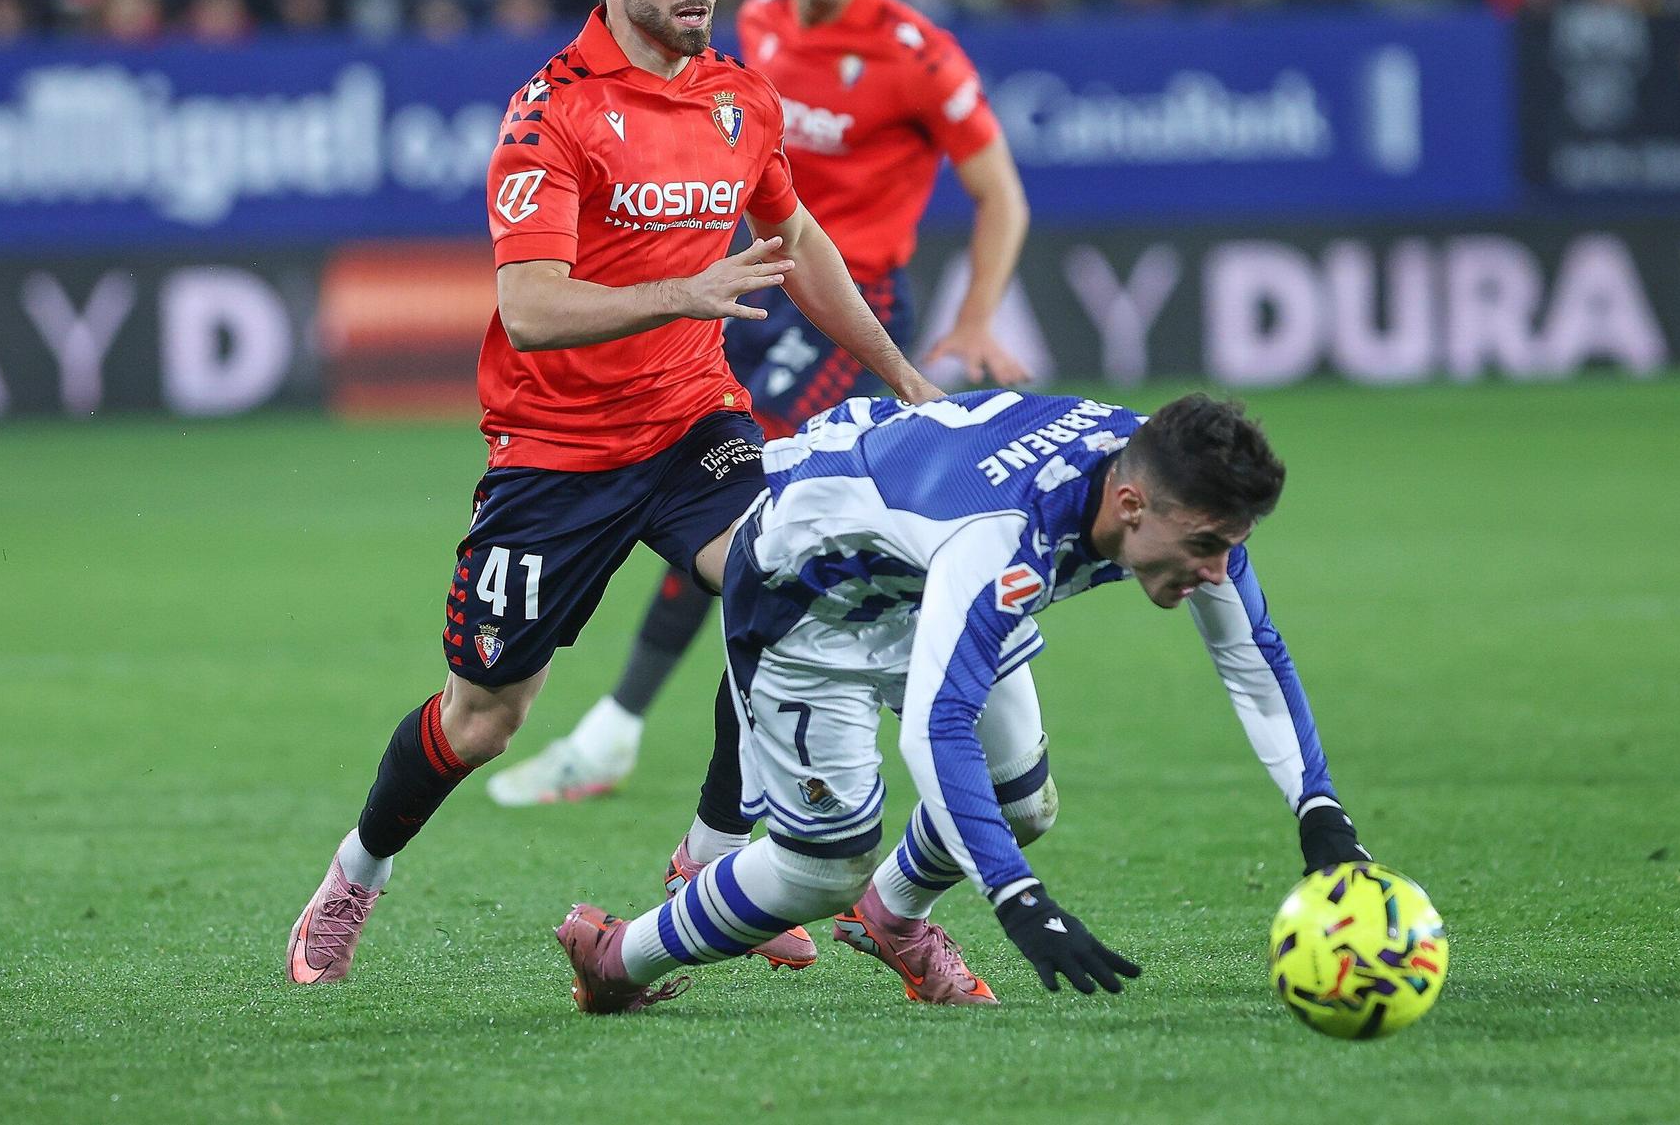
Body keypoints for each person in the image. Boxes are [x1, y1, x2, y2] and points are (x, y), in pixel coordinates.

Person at [286, 0, 939, 985]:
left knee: (778, 581)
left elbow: (803, 248)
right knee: (485, 714)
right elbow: (531, 310)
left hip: (694, 420)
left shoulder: (740, 98)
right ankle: (354, 873)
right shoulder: (553, 114)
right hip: (556, 455)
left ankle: (710, 860)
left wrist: (902, 376)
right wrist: (682, 292)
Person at [488, 0, 1033, 810]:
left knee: (747, 520)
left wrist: (968, 324)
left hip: (834, 310)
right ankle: (678, 763)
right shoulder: (751, 37)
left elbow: (1000, 195)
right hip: (731, 289)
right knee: (734, 518)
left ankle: (642, 747)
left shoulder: (917, 53)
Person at [551, 391, 1373, 1012]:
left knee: (1023, 801)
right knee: (821, 867)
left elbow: (1249, 649)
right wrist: (1019, 899)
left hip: (919, 573)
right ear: (1129, 506)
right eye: (1205, 548)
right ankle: (618, 957)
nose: (1216, 570)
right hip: (806, 601)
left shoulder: (1163, 475)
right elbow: (939, 730)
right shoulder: (1000, 536)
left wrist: (1320, 811)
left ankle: (894, 913)